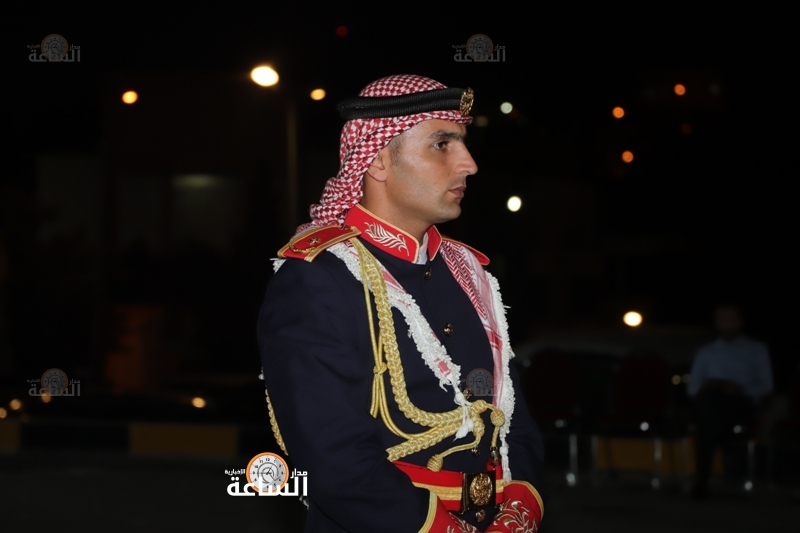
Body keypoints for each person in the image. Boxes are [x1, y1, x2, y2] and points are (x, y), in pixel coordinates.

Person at [257, 75, 544, 532]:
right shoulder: (318, 278)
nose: (468, 164)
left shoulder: (468, 272)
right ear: (377, 161)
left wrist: (519, 509)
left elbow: (511, 417)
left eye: (463, 143)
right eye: (442, 144)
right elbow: (333, 456)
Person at [687, 303, 773, 497]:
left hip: (741, 402)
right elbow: (693, 387)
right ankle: (724, 455)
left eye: (732, 319)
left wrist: (741, 388)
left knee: (708, 418)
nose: (727, 324)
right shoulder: (706, 351)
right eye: (722, 319)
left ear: (741, 321)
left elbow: (766, 385)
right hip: (710, 401)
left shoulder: (756, 349)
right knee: (709, 402)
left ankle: (702, 479)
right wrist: (711, 385)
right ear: (716, 322)